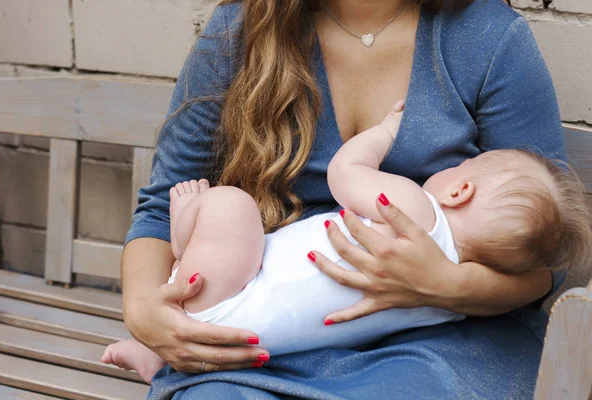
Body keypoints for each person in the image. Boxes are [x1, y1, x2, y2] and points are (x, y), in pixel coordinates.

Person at [121, 0, 570, 398]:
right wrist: (145, 315)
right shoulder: (241, 28)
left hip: (442, 338)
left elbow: (546, 260)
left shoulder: (485, 35)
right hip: (269, 321)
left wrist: (448, 286)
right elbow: (165, 206)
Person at [105, 99, 591, 383]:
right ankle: (158, 357)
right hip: (263, 343)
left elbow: (345, 173)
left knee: (230, 206)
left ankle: (186, 224)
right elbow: (533, 277)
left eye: (462, 167)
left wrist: (382, 133)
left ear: (461, 189)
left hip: (223, 295)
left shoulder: (418, 210)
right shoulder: (451, 302)